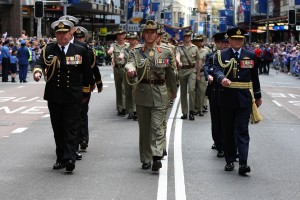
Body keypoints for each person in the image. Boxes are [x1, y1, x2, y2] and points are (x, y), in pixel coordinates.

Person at [33, 20, 93, 172]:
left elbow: (87, 74)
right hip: (54, 96)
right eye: (59, 34)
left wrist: (85, 92)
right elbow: (39, 63)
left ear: (70, 33)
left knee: (71, 127)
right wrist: (38, 72)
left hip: (73, 96)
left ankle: (70, 158)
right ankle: (60, 158)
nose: (62, 36)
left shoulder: (80, 49)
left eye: (65, 33)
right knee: (58, 128)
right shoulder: (49, 49)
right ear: (55, 35)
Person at [125, 20, 177, 172]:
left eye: (152, 32)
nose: (149, 35)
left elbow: (171, 73)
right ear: (143, 35)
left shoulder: (166, 51)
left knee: (157, 126)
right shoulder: (136, 52)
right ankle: (146, 158)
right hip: (142, 93)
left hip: (160, 93)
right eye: (146, 32)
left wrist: (173, 91)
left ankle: (156, 155)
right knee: (145, 129)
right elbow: (130, 63)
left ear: (156, 35)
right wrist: (131, 69)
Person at [213, 27, 262, 175]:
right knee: (227, 131)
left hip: (244, 99)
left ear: (243, 40)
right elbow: (216, 70)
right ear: (229, 40)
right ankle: (229, 160)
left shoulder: (251, 55)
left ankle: (243, 163)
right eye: (234, 39)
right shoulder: (221, 55)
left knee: (242, 130)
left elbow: (255, 78)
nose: (237, 41)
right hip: (226, 97)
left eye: (240, 39)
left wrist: (258, 96)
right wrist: (222, 79)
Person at [73, 26, 103, 151]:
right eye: (77, 37)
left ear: (84, 38)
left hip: (83, 86)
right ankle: (79, 140)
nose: (79, 39)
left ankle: (82, 139)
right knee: (77, 114)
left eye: (81, 37)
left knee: (81, 113)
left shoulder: (88, 51)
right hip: (74, 86)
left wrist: (98, 82)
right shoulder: (73, 49)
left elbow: (93, 68)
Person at [203, 32, 229, 158]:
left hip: (230, 92)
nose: (225, 45)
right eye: (223, 42)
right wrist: (208, 75)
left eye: (226, 42)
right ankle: (219, 144)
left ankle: (230, 145)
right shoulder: (212, 56)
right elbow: (207, 67)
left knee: (229, 121)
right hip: (216, 90)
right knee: (217, 120)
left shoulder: (232, 56)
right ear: (217, 43)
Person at [175, 30, 201, 120]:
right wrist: (179, 62)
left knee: (191, 89)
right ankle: (184, 112)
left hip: (192, 70)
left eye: (189, 36)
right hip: (182, 71)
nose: (187, 38)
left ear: (191, 37)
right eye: (186, 36)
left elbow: (198, 61)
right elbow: (177, 56)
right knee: (183, 92)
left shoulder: (195, 47)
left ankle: (191, 111)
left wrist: (198, 74)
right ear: (184, 37)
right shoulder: (179, 47)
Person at [107, 29, 129, 116]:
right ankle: (120, 108)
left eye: (122, 34)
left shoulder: (127, 45)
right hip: (116, 69)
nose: (120, 36)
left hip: (125, 68)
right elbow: (110, 51)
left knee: (124, 88)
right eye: (118, 35)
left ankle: (124, 108)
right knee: (118, 89)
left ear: (124, 36)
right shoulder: (114, 45)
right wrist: (110, 52)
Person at [192, 34, 210, 117]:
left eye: (200, 41)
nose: (198, 42)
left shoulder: (206, 51)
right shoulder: (192, 50)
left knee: (202, 91)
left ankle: (201, 108)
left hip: (202, 72)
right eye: (197, 41)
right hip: (192, 72)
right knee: (193, 91)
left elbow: (208, 63)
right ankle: (195, 108)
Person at [123, 32, 139, 120]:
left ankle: (135, 111)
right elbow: (126, 58)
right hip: (127, 73)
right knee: (128, 92)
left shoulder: (140, 49)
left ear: (136, 40)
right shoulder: (125, 50)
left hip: (137, 73)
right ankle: (130, 111)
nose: (132, 41)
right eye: (130, 39)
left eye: (133, 39)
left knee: (135, 92)